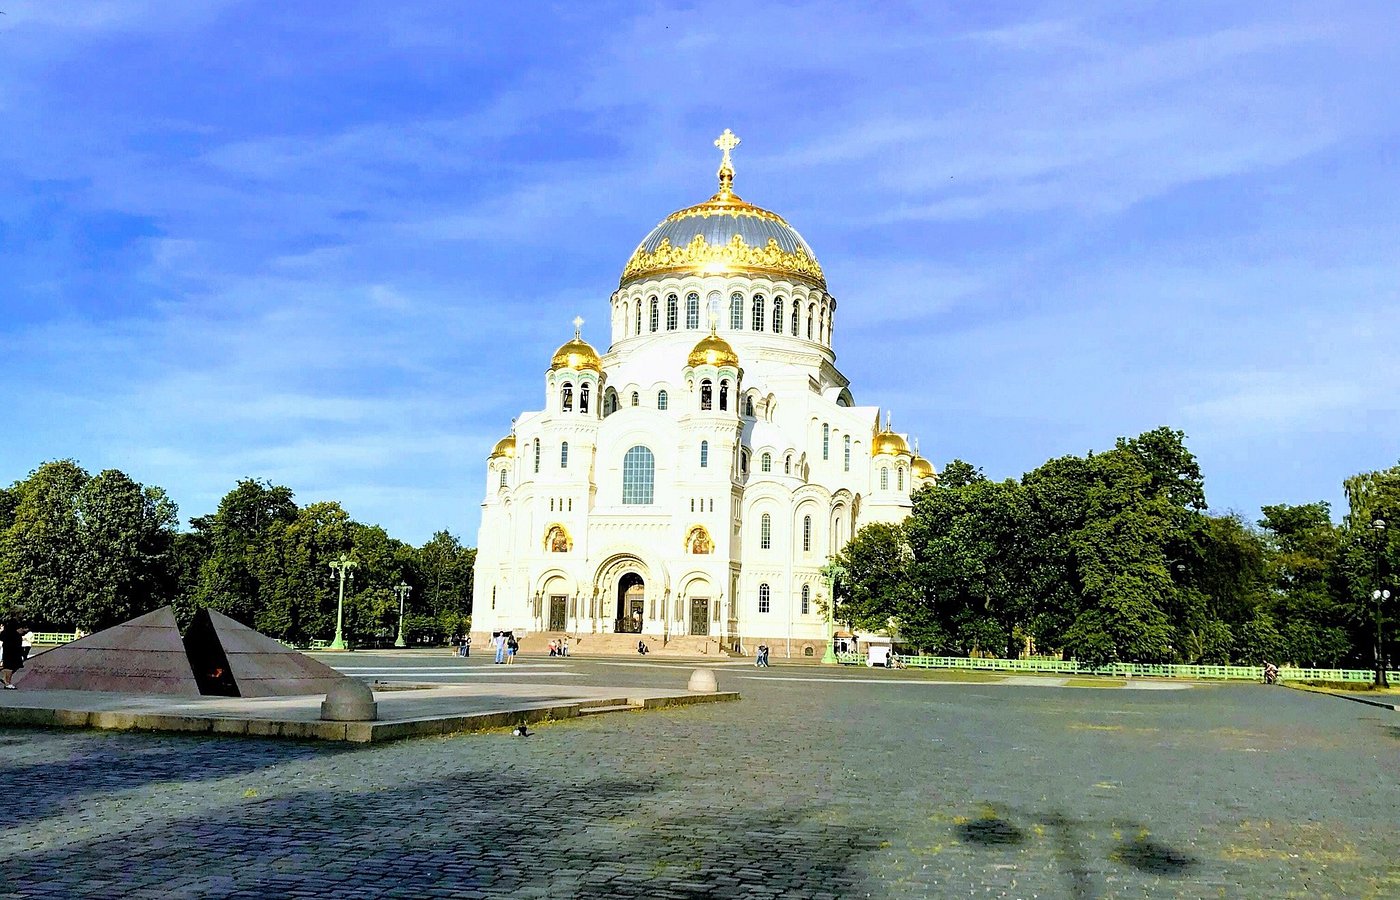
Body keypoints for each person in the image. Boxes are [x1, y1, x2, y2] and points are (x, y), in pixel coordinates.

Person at [1, 623, 24, 689]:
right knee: (10, 667)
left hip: (7, 651)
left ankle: (5, 679)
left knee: (11, 666)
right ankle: (7, 682)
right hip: (12, 651)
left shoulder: (5, 633)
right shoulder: (15, 635)